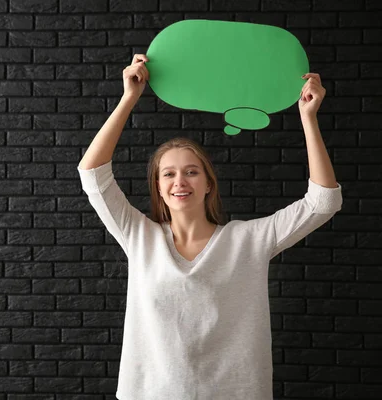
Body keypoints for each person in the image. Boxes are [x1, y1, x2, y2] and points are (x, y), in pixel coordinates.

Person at [77, 54, 343, 400]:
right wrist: (129, 98)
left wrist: (308, 118)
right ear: (158, 186)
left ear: (207, 184)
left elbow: (323, 202)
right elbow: (93, 176)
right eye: (168, 174)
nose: (179, 181)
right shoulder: (139, 235)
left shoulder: (248, 240)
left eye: (191, 171)